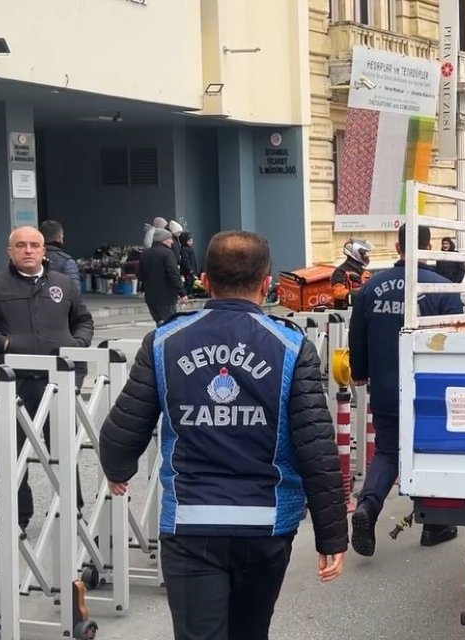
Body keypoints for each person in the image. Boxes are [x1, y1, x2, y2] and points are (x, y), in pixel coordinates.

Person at [98, 230, 347, 640]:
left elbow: (122, 428)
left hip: (191, 525)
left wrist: (117, 467)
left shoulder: (164, 341)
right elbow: (316, 447)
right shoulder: (290, 345)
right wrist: (331, 533)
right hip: (266, 526)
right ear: (267, 284)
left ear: (205, 280)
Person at [0, 225, 95, 529]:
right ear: (10, 251)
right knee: (12, 454)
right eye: (21, 245)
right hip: (14, 385)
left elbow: (83, 320)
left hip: (57, 382)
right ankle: (17, 517)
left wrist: (79, 344)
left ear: (45, 251)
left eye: (34, 245)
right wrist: (3, 343)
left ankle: (72, 511)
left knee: (63, 451)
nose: (28, 250)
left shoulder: (64, 285)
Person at [348, 223, 462, 557]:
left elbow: (357, 334)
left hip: (385, 388)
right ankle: (435, 524)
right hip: (430, 391)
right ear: (428, 248)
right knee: (433, 452)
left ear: (397, 247)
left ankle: (367, 507)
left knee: (387, 452)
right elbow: (456, 341)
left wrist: (360, 372)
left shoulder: (372, 287)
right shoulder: (443, 288)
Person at [138, 227, 187, 326]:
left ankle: (159, 340)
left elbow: (139, 274)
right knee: (169, 325)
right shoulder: (168, 253)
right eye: (169, 239)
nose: (172, 242)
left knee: (159, 323)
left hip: (151, 297)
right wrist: (182, 292)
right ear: (163, 240)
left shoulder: (145, 254)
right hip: (167, 297)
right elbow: (173, 274)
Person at [330, 238, 372, 310]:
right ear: (355, 253)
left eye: (365, 254)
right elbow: (337, 292)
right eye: (363, 253)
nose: (366, 256)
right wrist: (357, 295)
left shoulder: (365, 272)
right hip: (345, 311)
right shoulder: (340, 271)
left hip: (362, 309)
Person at [176, 232, 198, 296]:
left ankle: (189, 294)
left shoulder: (188, 248)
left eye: (192, 240)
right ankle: (186, 295)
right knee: (188, 283)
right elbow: (185, 260)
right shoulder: (184, 249)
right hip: (188, 270)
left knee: (191, 282)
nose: (192, 242)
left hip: (191, 269)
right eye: (189, 241)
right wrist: (190, 269)